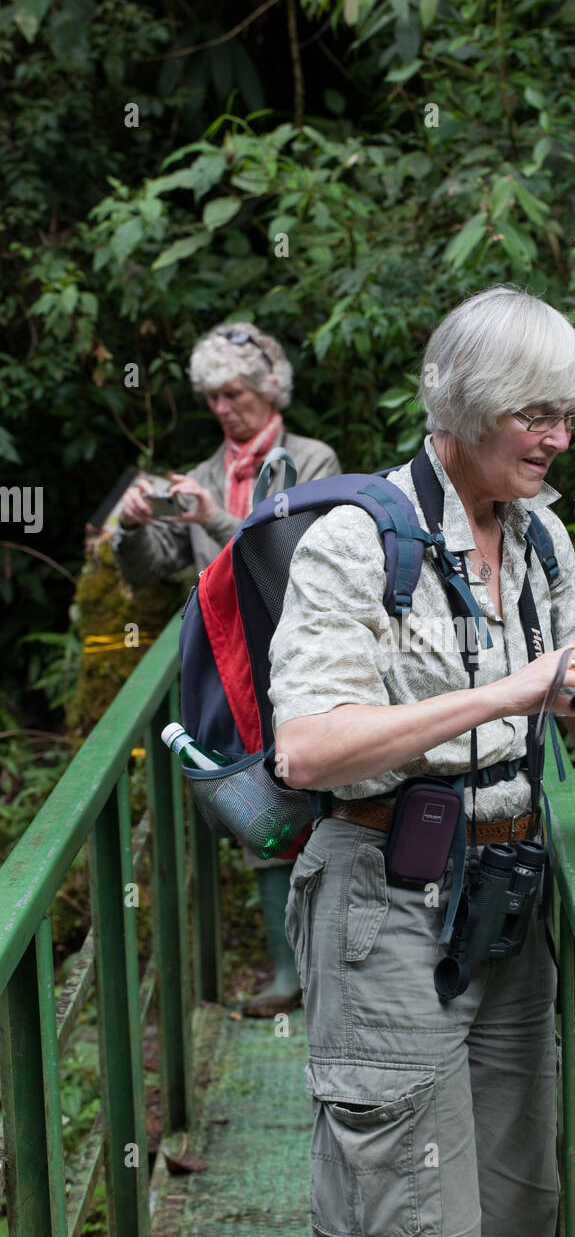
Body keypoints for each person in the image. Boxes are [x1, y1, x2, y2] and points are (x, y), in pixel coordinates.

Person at [269, 285, 575, 1237]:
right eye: (533, 414)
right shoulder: (356, 539)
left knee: (516, 1220)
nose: (555, 439)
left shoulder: (540, 538)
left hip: (508, 904)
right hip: (383, 903)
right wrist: (511, 687)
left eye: (566, 417)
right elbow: (305, 750)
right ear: (462, 404)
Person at [114, 321, 341, 1017]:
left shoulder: (314, 459)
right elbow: (154, 572)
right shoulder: (204, 474)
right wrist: (128, 531)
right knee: (253, 806)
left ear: (272, 389)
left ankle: (333, 963)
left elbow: (300, 558)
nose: (222, 407)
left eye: (234, 392)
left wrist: (217, 522)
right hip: (228, 666)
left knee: (326, 799)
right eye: (212, 396)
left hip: (307, 654)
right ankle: (287, 972)